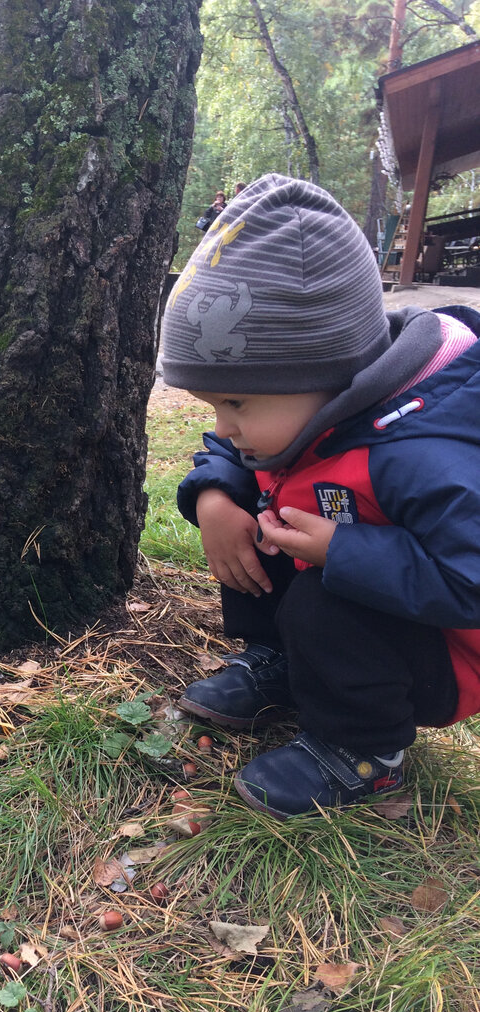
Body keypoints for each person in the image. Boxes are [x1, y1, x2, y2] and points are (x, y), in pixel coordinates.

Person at [160, 173, 480, 819]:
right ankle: (285, 664)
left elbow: (470, 582)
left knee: (321, 599)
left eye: (236, 403)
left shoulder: (418, 455)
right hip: (357, 593)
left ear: (327, 379)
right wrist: (213, 497)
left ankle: (364, 750)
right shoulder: (300, 417)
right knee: (255, 508)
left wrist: (345, 550)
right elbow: (232, 453)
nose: (223, 426)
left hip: (442, 651)